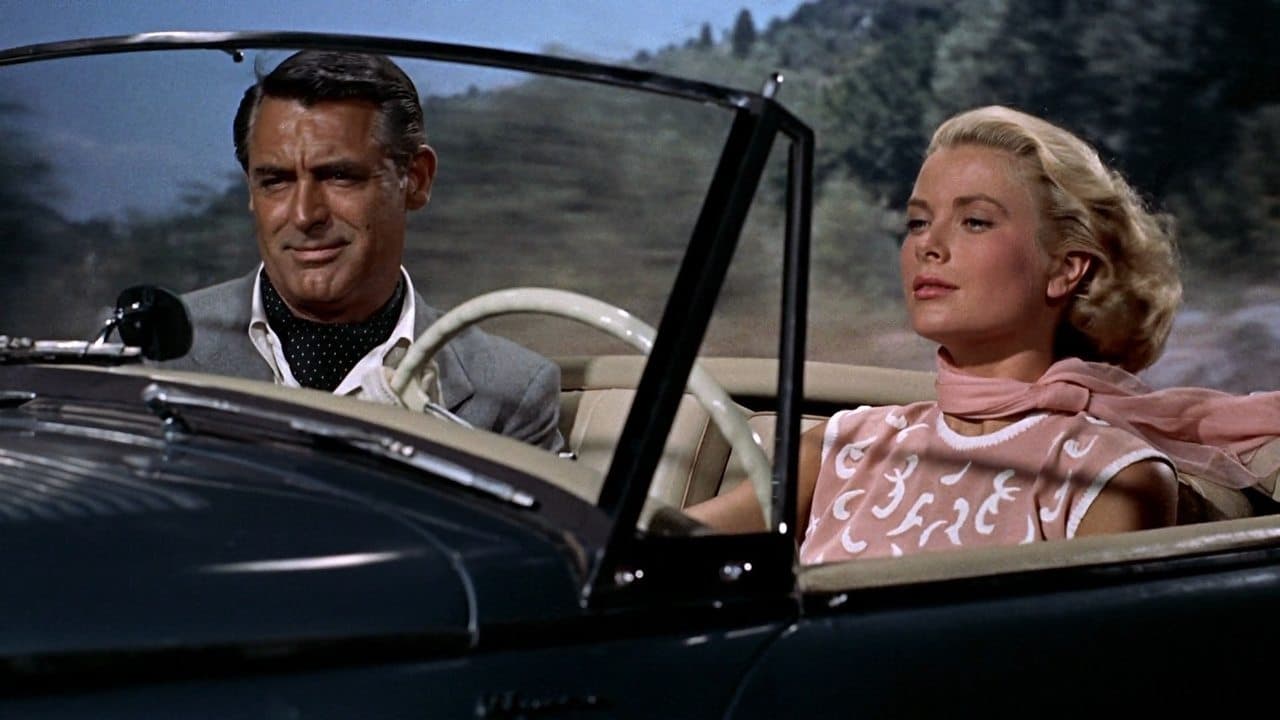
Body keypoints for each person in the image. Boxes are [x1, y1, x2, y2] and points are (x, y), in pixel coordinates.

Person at [688, 105, 1279, 561]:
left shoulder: (1112, 476)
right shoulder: (844, 445)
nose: (929, 243)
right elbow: (665, 553)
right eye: (917, 221)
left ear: (1066, 269)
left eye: (974, 221)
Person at [161, 50, 564, 452]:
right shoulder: (156, 353)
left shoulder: (509, 393)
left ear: (416, 179)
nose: (304, 215)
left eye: (340, 176)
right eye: (276, 181)